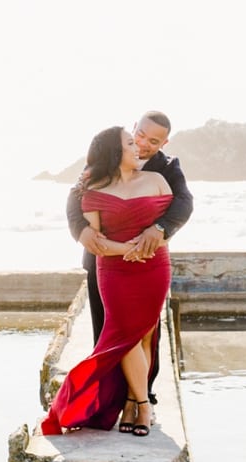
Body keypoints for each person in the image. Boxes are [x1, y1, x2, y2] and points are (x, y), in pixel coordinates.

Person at [42, 126, 174, 437]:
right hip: (114, 271)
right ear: (116, 154)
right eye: (130, 142)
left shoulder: (157, 180)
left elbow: (165, 225)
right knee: (124, 336)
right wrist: (129, 249)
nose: (138, 146)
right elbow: (96, 240)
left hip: (154, 267)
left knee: (145, 335)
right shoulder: (93, 190)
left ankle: (131, 403)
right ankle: (143, 404)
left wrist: (147, 245)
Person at [66, 111, 193, 366]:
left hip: (145, 263)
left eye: (153, 142)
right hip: (103, 261)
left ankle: (144, 395)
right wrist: (82, 229)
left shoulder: (166, 167)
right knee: (105, 331)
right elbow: (75, 197)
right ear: (135, 128)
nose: (144, 144)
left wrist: (160, 228)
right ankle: (106, 392)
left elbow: (184, 202)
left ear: (164, 144)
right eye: (140, 135)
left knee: (147, 332)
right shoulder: (103, 161)